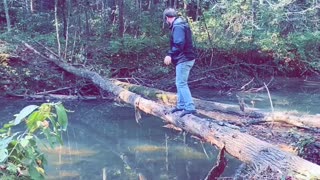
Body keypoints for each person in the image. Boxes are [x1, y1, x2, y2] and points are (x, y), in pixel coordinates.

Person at [163, 8, 196, 117]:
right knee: (179, 82)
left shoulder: (177, 27)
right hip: (186, 58)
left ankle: (190, 107)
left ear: (167, 18)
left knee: (181, 83)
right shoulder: (180, 24)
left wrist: (170, 54)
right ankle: (181, 105)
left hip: (184, 59)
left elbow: (179, 43)